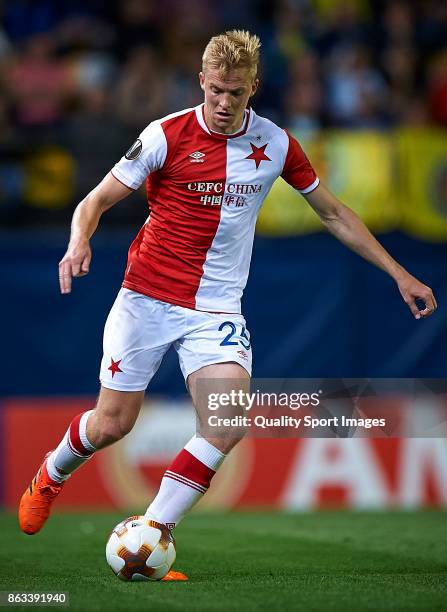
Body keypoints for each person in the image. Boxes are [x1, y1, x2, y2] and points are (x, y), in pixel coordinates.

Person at [18, 30, 436, 577]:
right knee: (112, 425)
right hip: (145, 299)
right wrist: (79, 241)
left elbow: (333, 214)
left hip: (216, 310)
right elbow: (94, 200)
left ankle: (151, 533)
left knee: (227, 418)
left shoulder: (276, 144)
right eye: (215, 89)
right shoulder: (164, 135)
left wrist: (399, 274)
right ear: (201, 82)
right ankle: (50, 473)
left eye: (235, 93)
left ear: (253, 88)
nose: (223, 102)